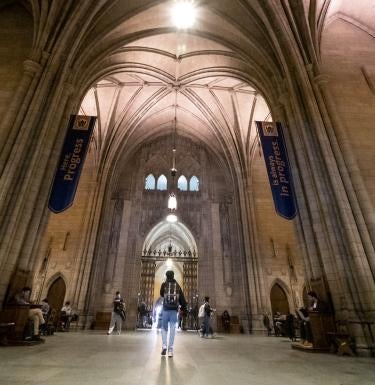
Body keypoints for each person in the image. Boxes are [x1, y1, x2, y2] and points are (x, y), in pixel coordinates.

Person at [160, 270, 186, 357]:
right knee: (172, 329)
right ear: (173, 275)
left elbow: (161, 294)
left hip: (165, 309)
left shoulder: (164, 284)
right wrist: (183, 308)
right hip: (174, 311)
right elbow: (182, 299)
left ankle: (164, 345)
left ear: (166, 276)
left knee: (164, 328)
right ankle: (170, 349)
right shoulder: (177, 285)